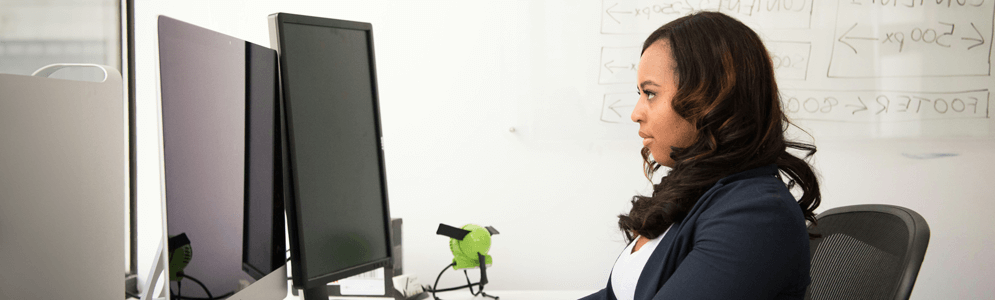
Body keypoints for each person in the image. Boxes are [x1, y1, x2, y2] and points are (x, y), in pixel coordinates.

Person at [581, 12, 821, 300]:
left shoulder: (757, 215)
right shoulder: (696, 193)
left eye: (650, 93)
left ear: (710, 97)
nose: (636, 113)